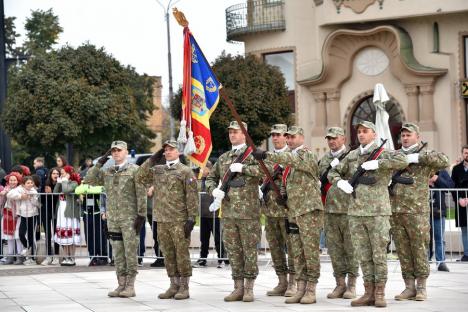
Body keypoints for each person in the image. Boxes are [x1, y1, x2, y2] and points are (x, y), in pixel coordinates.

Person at [328, 121, 408, 308]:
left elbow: (403, 160)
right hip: (356, 212)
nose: (361, 135)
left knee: (378, 254)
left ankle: (379, 293)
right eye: (359, 132)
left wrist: (378, 163)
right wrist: (340, 183)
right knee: (363, 255)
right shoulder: (354, 155)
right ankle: (368, 292)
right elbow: (333, 172)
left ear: (374, 134)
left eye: (365, 132)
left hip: (378, 212)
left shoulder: (384, 152)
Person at [254, 125, 323, 305]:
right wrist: (282, 195)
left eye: (292, 137)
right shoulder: (291, 161)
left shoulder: (306, 155)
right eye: (288, 138)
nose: (290, 140)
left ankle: (311, 289)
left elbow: (289, 159)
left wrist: (267, 155)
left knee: (309, 251)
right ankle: (300, 288)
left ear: (301, 137)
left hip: (308, 211)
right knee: (298, 252)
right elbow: (288, 180)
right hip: (293, 210)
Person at [389, 123, 449, 301]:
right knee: (403, 250)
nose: (405, 138)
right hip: (397, 210)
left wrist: (418, 157)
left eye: (409, 135)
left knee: (419, 248)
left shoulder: (424, 157)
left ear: (417, 137)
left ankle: (421, 287)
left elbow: (444, 160)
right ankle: (409, 287)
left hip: (417, 211)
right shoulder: (395, 155)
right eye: (403, 135)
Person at [207, 121, 263, 302]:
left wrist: (244, 168)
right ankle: (237, 287)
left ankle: (249, 288)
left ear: (244, 133)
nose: (232, 135)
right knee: (233, 250)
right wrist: (213, 190)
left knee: (249, 251)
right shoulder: (223, 158)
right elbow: (210, 177)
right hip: (229, 213)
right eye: (230, 132)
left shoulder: (253, 154)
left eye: (236, 132)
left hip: (249, 213)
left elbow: (265, 172)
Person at [136, 140, 198, 300]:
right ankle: (173, 284)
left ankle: (184, 286)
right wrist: (152, 158)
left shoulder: (185, 171)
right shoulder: (158, 170)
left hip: (179, 220)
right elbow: (140, 177)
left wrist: (192, 218)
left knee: (181, 254)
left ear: (178, 152)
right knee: (168, 254)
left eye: (172, 149)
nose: (168, 152)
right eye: (166, 150)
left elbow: (191, 196)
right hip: (162, 219)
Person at [85, 140, 147, 298]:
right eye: (113, 151)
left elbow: (141, 194)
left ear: (126, 152)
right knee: (118, 253)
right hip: (113, 219)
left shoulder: (135, 170)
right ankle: (121, 284)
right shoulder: (108, 171)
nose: (116, 153)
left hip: (130, 219)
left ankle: (130, 286)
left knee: (130, 252)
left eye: (119, 150)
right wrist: (100, 162)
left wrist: (141, 215)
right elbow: (90, 179)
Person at [319, 127, 358, 299]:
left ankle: (352, 285)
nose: (331, 141)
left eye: (335, 138)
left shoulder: (352, 156)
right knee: (334, 250)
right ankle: (339, 284)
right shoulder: (324, 159)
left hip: (348, 209)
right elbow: (319, 180)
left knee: (351, 249)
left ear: (343, 139)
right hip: (330, 210)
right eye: (329, 139)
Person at [260, 124, 296, 297]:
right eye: (273, 135)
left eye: (279, 135)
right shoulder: (267, 158)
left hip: (287, 210)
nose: (275, 138)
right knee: (275, 248)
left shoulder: (292, 156)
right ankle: (281, 281)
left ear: (286, 136)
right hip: (270, 210)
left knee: (292, 247)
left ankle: (293, 283)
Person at [8, 176, 40, 265]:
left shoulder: (34, 191)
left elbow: (37, 204)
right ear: (23, 184)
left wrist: (31, 198)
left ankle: (32, 258)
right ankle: (28, 248)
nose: (30, 184)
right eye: (28, 183)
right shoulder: (19, 189)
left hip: (33, 215)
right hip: (23, 215)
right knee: (21, 234)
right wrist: (21, 196)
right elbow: (9, 194)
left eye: (31, 183)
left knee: (31, 236)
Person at [54, 166, 82, 266]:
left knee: (71, 236)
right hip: (61, 210)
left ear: (69, 173)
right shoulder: (63, 182)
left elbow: (66, 191)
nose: (62, 175)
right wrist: (58, 182)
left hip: (70, 211)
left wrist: (65, 180)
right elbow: (55, 192)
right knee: (63, 235)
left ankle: (72, 258)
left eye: (64, 173)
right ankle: (66, 257)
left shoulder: (74, 183)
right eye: (61, 173)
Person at [75, 183, 108, 266]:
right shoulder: (84, 186)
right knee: (89, 236)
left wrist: (89, 188)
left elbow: (101, 189)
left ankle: (102, 256)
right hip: (87, 214)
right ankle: (92, 256)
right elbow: (77, 190)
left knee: (99, 236)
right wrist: (88, 188)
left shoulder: (99, 186)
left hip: (97, 214)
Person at [429, 170, 454, 272]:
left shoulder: (442, 172)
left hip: (439, 211)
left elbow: (450, 186)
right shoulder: (421, 169)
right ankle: (425, 261)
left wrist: (436, 179)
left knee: (440, 238)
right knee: (424, 239)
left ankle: (441, 262)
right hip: (422, 211)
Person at [0, 172, 23, 264]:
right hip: (7, 213)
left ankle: (19, 257)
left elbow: (17, 197)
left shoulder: (20, 189)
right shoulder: (6, 188)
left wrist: (6, 192)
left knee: (17, 236)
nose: (12, 182)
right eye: (11, 180)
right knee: (8, 236)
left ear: (18, 181)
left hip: (17, 214)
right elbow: (2, 201)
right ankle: (10, 256)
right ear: (8, 181)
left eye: (14, 180)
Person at [451, 145, 468, 262]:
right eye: (466, 153)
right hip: (461, 203)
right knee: (464, 229)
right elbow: (453, 186)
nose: (467, 155)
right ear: (462, 154)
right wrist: (458, 199)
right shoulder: (456, 169)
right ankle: (466, 254)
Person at [41, 168, 60, 265]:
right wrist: (46, 193)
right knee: (48, 233)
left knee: (56, 233)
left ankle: (56, 256)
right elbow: (41, 198)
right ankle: (48, 256)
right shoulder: (45, 183)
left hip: (56, 211)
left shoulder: (60, 183)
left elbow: (59, 196)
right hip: (46, 210)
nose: (55, 175)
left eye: (57, 173)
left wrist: (52, 192)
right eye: (54, 173)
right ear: (50, 174)